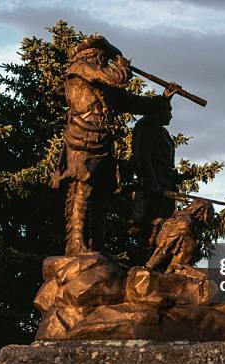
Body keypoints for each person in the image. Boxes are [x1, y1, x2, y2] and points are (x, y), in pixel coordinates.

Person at [51, 34, 168, 255]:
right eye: (104, 59)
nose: (105, 63)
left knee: (101, 195)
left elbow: (131, 102)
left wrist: (162, 99)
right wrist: (122, 67)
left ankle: (98, 245)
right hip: (83, 139)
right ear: (94, 55)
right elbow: (117, 78)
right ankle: (76, 243)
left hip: (103, 142)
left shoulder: (102, 84)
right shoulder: (81, 67)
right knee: (82, 191)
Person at [131, 83, 192, 260]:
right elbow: (141, 157)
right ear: (157, 112)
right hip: (151, 191)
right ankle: (144, 266)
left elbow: (162, 165)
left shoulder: (160, 131)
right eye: (168, 110)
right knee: (150, 232)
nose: (171, 115)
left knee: (163, 230)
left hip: (164, 189)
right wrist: (151, 183)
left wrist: (180, 177)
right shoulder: (146, 127)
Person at [145, 199, 215, 273]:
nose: (212, 216)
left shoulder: (193, 225)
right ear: (204, 211)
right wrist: (151, 265)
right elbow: (167, 246)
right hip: (173, 259)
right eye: (211, 213)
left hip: (176, 263)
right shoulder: (185, 221)